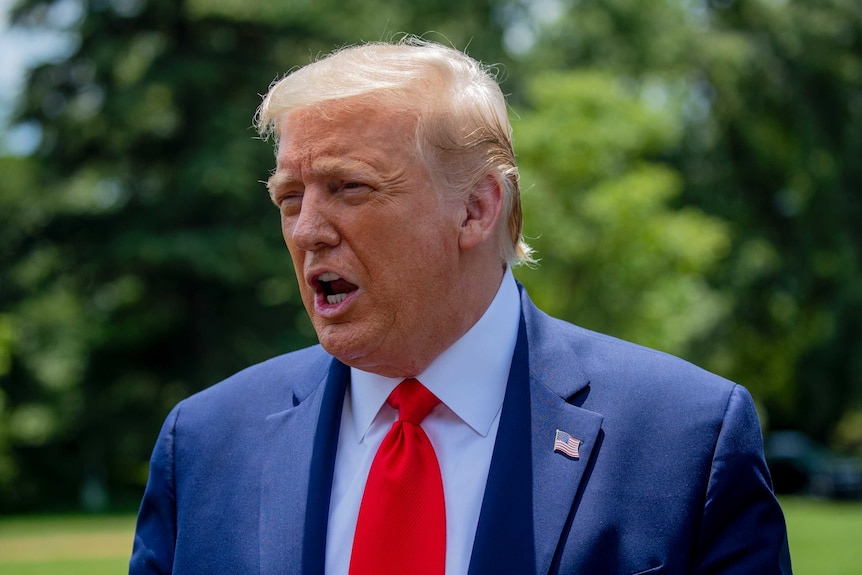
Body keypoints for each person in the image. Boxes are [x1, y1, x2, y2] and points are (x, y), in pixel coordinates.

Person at [130, 37, 792, 574]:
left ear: (477, 208)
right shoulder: (204, 445)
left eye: (347, 186)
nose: (307, 230)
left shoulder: (687, 442)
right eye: (289, 197)